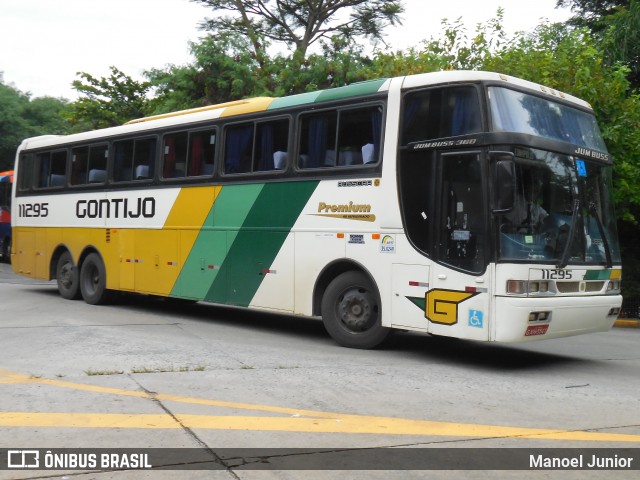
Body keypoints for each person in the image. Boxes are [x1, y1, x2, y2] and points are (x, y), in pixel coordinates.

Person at [505, 169, 548, 233]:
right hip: (515, 238)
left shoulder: (536, 207)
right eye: (534, 190)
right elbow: (505, 223)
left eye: (537, 192)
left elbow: (547, 218)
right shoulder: (515, 202)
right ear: (527, 187)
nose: (535, 194)